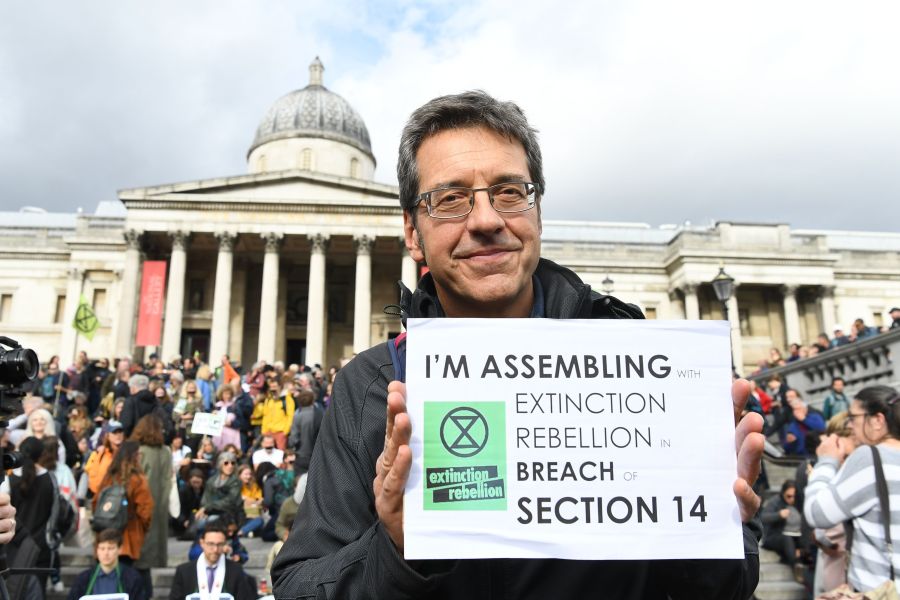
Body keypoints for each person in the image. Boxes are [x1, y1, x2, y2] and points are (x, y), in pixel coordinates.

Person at [272, 90, 765, 599]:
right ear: (413, 234)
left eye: (508, 192)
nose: (486, 220)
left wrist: (718, 534)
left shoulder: (637, 366)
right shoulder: (371, 387)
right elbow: (298, 588)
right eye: (450, 198)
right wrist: (395, 549)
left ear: (537, 212)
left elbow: (723, 588)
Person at [805, 385, 900, 593]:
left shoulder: (870, 457)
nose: (851, 425)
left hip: (878, 591)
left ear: (877, 420)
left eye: (853, 417)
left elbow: (817, 513)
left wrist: (827, 461)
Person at [131, 414, 173, 597]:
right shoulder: (166, 452)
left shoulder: (139, 452)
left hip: (140, 512)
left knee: (137, 563)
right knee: (146, 564)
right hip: (159, 511)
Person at [93, 440, 154, 565]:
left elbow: (96, 503)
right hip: (128, 538)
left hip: (105, 537)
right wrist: (143, 529)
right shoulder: (137, 479)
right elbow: (145, 510)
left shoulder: (108, 477)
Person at [170, 518, 255, 600]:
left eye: (220, 544)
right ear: (202, 543)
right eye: (211, 544)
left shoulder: (236, 571)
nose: (215, 549)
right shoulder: (184, 571)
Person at [67, 528, 148, 600]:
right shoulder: (83, 579)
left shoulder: (132, 578)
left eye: (111, 548)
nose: (106, 553)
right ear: (97, 550)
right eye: (102, 548)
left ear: (120, 549)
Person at [761, 480, 803, 568]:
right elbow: (763, 517)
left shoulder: (798, 503)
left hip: (796, 535)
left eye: (794, 496)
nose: (792, 499)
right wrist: (779, 515)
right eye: (789, 496)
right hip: (776, 536)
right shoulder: (776, 501)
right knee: (786, 539)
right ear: (783, 493)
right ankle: (795, 564)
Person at [195, 451, 243, 525]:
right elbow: (205, 498)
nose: (230, 466)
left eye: (233, 463)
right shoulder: (212, 480)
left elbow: (230, 501)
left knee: (209, 521)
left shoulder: (236, 482)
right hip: (210, 511)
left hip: (229, 514)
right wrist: (204, 510)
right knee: (198, 521)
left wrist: (207, 507)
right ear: (220, 464)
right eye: (226, 463)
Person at [84, 419, 125, 496]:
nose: (118, 435)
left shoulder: (127, 453)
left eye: (120, 432)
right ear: (108, 435)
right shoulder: (99, 453)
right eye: (114, 432)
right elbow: (88, 470)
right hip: (97, 495)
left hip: (117, 496)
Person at [780, 389, 826, 456]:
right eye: (795, 410)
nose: (797, 412)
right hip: (802, 456)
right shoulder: (793, 425)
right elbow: (786, 448)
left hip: (818, 452)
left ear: (805, 409)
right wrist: (789, 442)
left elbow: (821, 428)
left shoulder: (814, 417)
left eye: (799, 409)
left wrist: (804, 419)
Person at [287, 389, 323, 474]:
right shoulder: (319, 413)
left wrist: (291, 445)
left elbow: (294, 439)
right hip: (317, 454)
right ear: (312, 400)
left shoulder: (297, 415)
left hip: (301, 455)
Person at [260, 376, 294, 450]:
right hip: (268, 432)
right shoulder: (268, 399)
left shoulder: (287, 399)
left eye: (275, 386)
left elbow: (290, 417)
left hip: (280, 433)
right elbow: (265, 415)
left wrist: (285, 432)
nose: (272, 389)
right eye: (271, 387)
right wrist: (264, 431)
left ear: (280, 386)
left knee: (280, 455)